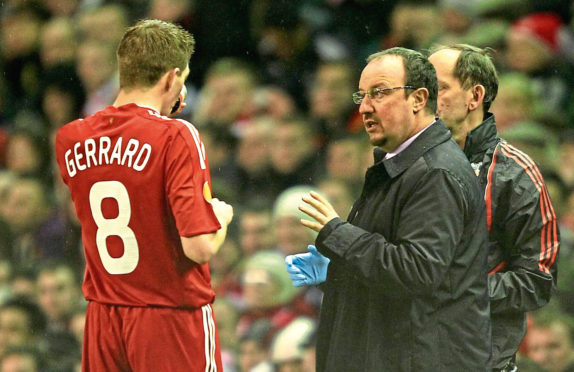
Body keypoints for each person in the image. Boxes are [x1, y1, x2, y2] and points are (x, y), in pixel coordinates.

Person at [286, 47, 491, 371]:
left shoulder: (435, 173)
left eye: (379, 93)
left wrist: (338, 233)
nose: (365, 107)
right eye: (362, 95)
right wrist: (338, 271)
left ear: (419, 99)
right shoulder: (402, 167)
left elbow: (416, 271)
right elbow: (398, 273)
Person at [54, 19, 234, 372]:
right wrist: (221, 217)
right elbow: (199, 246)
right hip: (168, 316)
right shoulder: (175, 135)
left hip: (103, 316)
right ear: (172, 77)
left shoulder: (70, 138)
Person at [428, 44, 560, 371]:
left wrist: (460, 292)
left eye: (438, 88)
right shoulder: (405, 167)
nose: (424, 98)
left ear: (474, 96)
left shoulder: (515, 173)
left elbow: (536, 280)